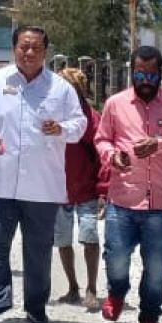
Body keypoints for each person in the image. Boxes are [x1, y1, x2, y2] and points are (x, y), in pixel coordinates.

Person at [0, 26, 87, 323]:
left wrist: (62, 129)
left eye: (36, 48)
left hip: (42, 187)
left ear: (45, 51)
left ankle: (35, 306)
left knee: (39, 249)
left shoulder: (60, 88)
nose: (29, 53)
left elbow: (80, 124)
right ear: (14, 48)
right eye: (23, 47)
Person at [95, 45, 162, 323]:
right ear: (131, 72)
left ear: (160, 73)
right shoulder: (115, 104)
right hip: (122, 199)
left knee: (156, 266)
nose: (146, 80)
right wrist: (113, 156)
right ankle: (116, 293)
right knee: (116, 256)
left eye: (151, 74)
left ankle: (150, 317)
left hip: (160, 204)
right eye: (140, 74)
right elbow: (101, 140)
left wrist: (160, 145)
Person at [53, 67, 103, 310]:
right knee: (63, 240)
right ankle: (73, 286)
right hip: (58, 189)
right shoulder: (53, 116)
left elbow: (102, 154)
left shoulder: (92, 118)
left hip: (87, 189)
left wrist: (104, 190)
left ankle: (91, 288)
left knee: (89, 237)